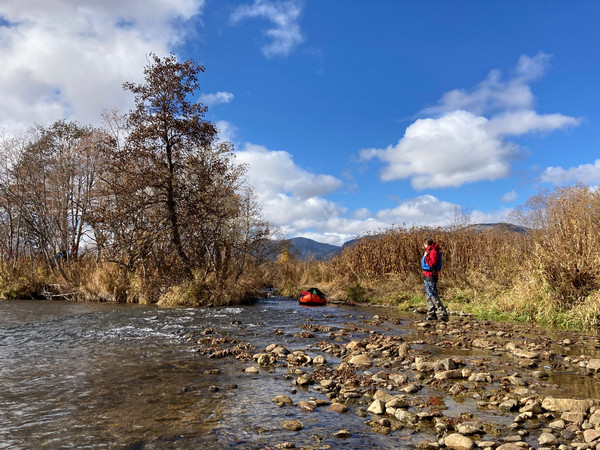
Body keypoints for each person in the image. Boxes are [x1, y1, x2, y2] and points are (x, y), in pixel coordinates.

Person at [421, 237, 448, 322]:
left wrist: (425, 257)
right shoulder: (431, 251)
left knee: (432, 294)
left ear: (426, 244)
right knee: (428, 294)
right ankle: (431, 314)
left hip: (431, 275)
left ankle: (443, 313)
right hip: (427, 275)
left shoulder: (433, 252)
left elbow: (432, 263)